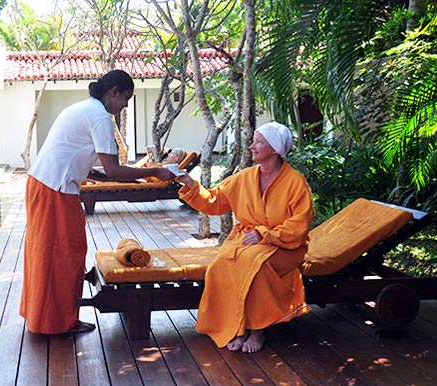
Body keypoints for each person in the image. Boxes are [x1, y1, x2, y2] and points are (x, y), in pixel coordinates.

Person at [20, 69, 174, 335]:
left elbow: (77, 154)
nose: (125, 105)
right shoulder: (100, 117)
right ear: (112, 92)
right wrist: (156, 171)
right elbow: (114, 171)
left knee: (46, 250)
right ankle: (58, 321)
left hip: (41, 184)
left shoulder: (82, 108)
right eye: (126, 98)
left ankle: (40, 314)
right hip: (54, 189)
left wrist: (98, 175)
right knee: (66, 253)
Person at [175, 122, 314, 353]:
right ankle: (236, 328)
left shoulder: (295, 182)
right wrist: (190, 184)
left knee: (256, 266)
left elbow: (299, 224)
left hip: (285, 246)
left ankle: (257, 331)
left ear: (275, 149)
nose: (252, 146)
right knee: (220, 266)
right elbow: (215, 201)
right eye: (254, 141)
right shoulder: (245, 177)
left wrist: (265, 234)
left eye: (259, 142)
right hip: (247, 240)